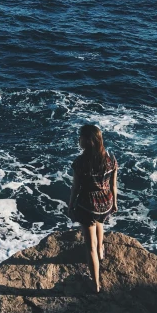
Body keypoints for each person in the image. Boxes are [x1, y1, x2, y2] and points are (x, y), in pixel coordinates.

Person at [68, 124, 118, 292]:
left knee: (90, 248)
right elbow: (113, 185)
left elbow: (75, 189)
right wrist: (115, 204)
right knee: (100, 223)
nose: (78, 140)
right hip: (106, 202)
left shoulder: (80, 162)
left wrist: (70, 206)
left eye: (80, 137)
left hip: (89, 205)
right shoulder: (110, 159)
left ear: (88, 141)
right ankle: (101, 251)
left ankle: (95, 284)